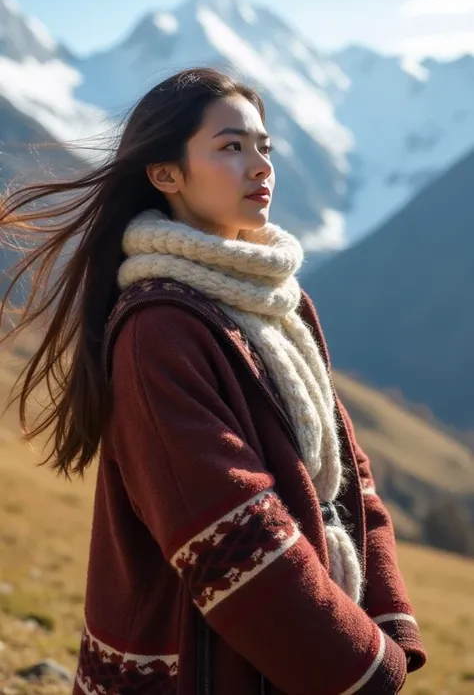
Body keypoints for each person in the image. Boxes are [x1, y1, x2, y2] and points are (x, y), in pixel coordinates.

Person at [0, 68, 426, 694]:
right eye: (231, 147)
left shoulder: (282, 301)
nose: (261, 166)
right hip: (200, 666)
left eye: (264, 147)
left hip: (298, 648)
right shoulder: (160, 330)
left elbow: (348, 473)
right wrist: (367, 666)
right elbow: (235, 535)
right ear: (166, 174)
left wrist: (391, 623)